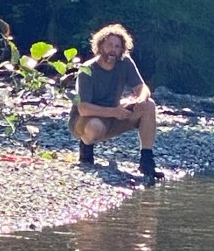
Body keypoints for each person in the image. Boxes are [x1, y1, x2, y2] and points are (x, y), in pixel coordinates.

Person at [69, 23, 163, 180]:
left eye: (117, 46)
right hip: (85, 120)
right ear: (100, 46)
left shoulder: (125, 62)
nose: (113, 50)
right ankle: (86, 148)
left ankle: (147, 160)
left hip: (114, 115)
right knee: (95, 126)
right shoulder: (87, 70)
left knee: (149, 105)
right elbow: (83, 109)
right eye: (109, 45)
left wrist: (141, 98)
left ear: (122, 49)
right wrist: (114, 112)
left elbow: (142, 87)